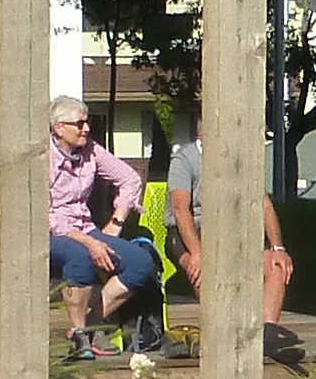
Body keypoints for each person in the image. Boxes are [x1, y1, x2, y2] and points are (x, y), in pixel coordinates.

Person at [45, 97, 163, 363]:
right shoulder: (44, 159)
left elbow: (130, 179)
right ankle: (79, 335)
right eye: (79, 123)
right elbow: (48, 216)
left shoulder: (92, 151)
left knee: (140, 262)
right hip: (53, 233)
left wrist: (116, 221)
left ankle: (89, 326)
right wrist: (90, 243)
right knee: (79, 256)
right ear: (58, 128)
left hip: (85, 228)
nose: (86, 128)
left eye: (87, 122)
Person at [167, 132, 292, 333]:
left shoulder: (239, 158)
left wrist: (278, 248)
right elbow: (180, 209)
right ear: (203, 134)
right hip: (190, 231)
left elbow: (264, 204)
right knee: (204, 270)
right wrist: (197, 253)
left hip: (230, 230)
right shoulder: (185, 159)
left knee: (276, 265)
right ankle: (221, 331)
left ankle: (268, 333)